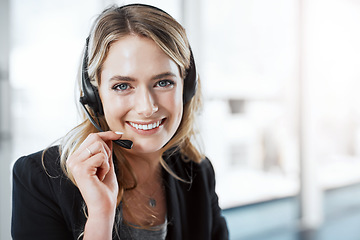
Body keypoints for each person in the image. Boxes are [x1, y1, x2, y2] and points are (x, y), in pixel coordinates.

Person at [11, 3, 228, 240]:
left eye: (164, 82)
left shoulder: (198, 172)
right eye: (122, 86)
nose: (147, 108)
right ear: (95, 95)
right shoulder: (39, 180)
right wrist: (101, 216)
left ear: (186, 88)